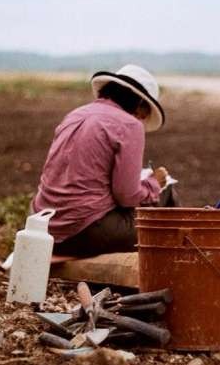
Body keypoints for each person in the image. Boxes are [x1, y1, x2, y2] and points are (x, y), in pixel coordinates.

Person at [31, 64, 178, 256]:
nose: (142, 119)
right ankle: (173, 262)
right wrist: (154, 184)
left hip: (44, 229)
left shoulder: (76, 114)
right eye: (145, 112)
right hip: (85, 233)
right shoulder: (130, 125)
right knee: (166, 193)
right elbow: (127, 196)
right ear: (139, 102)